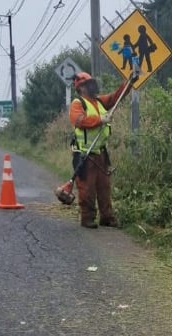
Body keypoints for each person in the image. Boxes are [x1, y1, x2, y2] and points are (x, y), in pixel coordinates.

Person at [69, 71, 130, 229]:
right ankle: (87, 218)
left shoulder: (99, 101)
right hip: (85, 154)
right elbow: (79, 120)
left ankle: (107, 217)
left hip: (101, 153)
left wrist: (128, 82)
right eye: (88, 83)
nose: (92, 85)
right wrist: (100, 119)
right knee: (87, 188)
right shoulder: (78, 103)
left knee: (104, 187)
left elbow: (115, 97)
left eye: (92, 82)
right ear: (81, 88)